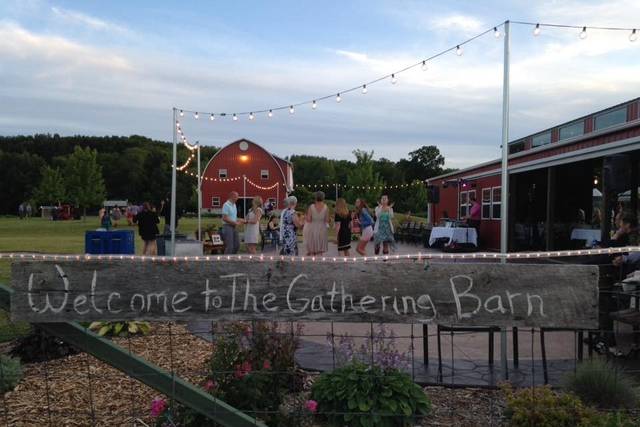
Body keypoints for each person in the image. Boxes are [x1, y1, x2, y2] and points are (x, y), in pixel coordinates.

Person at [304, 191, 329, 256]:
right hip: (322, 229)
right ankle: (320, 264)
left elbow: (309, 220)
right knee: (320, 251)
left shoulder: (311, 206)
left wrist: (305, 216)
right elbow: (327, 220)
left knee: (312, 250)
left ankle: (312, 265)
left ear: (315, 197)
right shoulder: (326, 207)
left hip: (312, 228)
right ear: (323, 198)